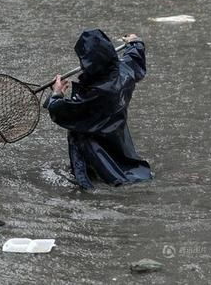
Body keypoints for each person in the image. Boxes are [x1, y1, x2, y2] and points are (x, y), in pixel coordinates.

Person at [44, 29, 153, 190]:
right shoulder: (125, 72)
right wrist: (135, 42)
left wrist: (56, 93)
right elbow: (134, 57)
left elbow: (59, 111)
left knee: (93, 175)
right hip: (117, 135)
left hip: (93, 148)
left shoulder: (93, 94)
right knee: (119, 159)